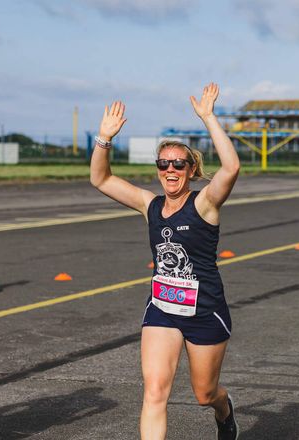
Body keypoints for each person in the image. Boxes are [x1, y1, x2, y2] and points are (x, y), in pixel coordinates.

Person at [90, 84, 239, 440]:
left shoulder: (204, 204)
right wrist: (104, 139)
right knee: (155, 391)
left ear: (191, 169)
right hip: (163, 308)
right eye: (163, 163)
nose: (170, 169)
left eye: (178, 163)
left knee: (205, 394)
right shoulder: (150, 205)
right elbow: (101, 178)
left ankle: (224, 408)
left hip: (204, 310)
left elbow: (231, 167)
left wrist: (208, 118)